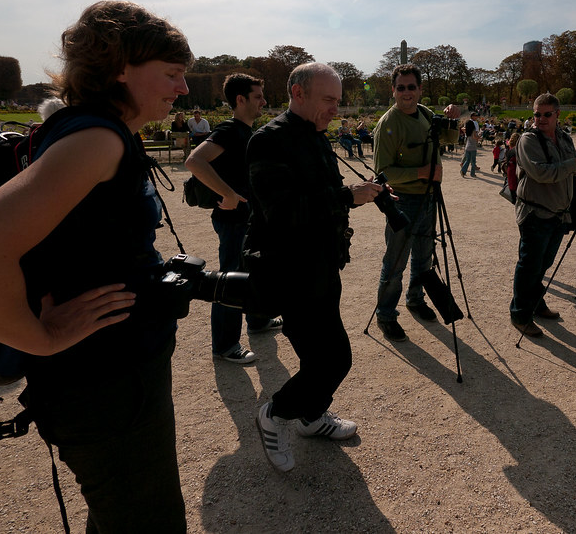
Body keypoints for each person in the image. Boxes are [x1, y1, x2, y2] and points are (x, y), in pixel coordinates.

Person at [0, 0, 194, 531]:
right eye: (171, 74)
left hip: (102, 378)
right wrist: (41, 338)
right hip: (103, 384)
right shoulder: (97, 139)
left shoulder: (85, 129)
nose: (182, 89)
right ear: (121, 67)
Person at [246, 62, 383, 472]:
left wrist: (354, 196)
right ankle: (274, 414)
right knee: (333, 359)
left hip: (322, 264)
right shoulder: (268, 140)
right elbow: (283, 212)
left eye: (338, 102)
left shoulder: (315, 135)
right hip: (289, 269)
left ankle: (309, 417)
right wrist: (347, 197)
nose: (335, 110)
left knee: (321, 357)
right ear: (297, 92)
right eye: (329, 100)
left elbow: (321, 192)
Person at [185, 74, 281, 366]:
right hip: (233, 218)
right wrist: (227, 194)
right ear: (240, 100)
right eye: (257, 96)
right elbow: (194, 161)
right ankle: (225, 344)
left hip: (248, 217)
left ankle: (257, 320)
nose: (263, 101)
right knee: (230, 278)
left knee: (253, 268)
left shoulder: (245, 131)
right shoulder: (229, 130)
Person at [372, 64, 460, 342]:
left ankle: (415, 299)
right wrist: (422, 173)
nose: (406, 92)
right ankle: (385, 315)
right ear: (394, 91)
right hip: (403, 201)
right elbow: (382, 173)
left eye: (411, 87)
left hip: (429, 198)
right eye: (401, 87)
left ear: (420, 89)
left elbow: (449, 139)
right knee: (396, 261)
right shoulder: (388, 123)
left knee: (424, 255)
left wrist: (453, 121)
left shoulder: (425, 114)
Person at [509, 93, 576, 337]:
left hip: (559, 213)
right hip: (535, 212)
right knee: (529, 265)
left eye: (546, 114)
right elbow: (542, 173)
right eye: (536, 114)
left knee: (544, 264)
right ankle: (520, 314)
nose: (540, 119)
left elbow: (571, 172)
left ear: (557, 114)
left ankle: (536, 303)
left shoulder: (563, 138)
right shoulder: (527, 140)